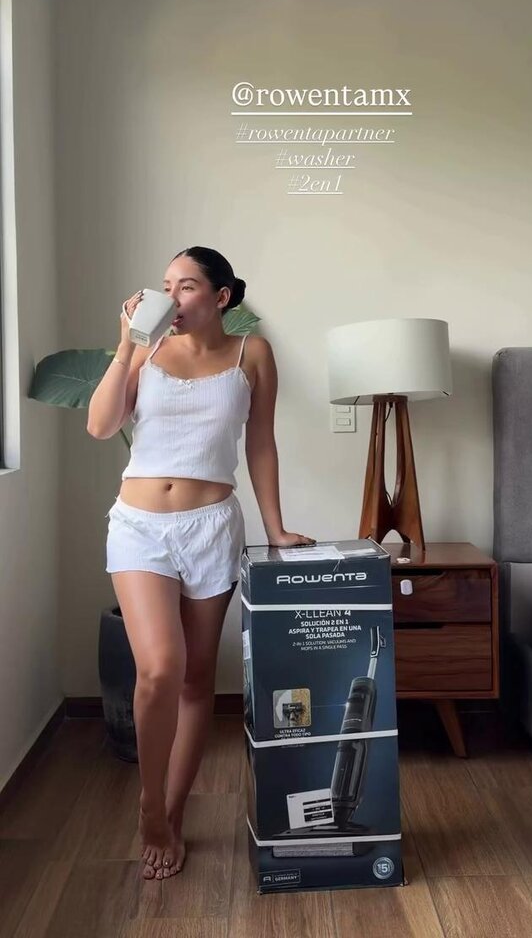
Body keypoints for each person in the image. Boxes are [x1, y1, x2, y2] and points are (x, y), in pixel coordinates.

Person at [87, 246, 315, 881]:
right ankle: (147, 803)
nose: (172, 297)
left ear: (221, 297)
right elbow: (101, 426)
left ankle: (173, 812)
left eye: (186, 286)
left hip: (212, 527)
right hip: (139, 528)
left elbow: (261, 443)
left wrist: (274, 527)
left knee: (194, 683)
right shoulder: (148, 350)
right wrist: (127, 345)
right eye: (165, 285)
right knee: (160, 668)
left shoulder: (253, 354)